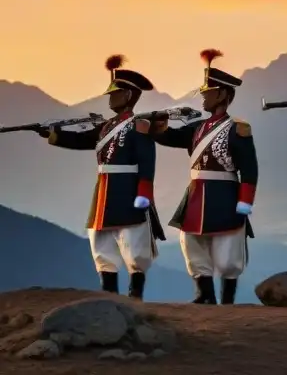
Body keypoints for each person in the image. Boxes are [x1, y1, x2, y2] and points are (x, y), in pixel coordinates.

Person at [38, 55, 164, 299]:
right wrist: (54, 134)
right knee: (101, 242)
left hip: (128, 189)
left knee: (134, 243)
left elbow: (147, 162)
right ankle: (109, 293)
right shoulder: (105, 127)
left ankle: (135, 294)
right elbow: (81, 140)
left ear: (128, 95)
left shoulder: (140, 126)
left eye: (115, 94)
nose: (110, 98)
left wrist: (144, 193)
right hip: (104, 189)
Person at [152, 49, 258, 305]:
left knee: (229, 248)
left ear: (222, 94)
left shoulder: (238, 129)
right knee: (191, 240)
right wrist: (160, 122)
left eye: (208, 92)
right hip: (196, 192)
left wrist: (245, 200)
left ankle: (228, 298)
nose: (203, 96)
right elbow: (168, 137)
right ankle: (205, 293)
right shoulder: (196, 128)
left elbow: (250, 168)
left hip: (225, 193)